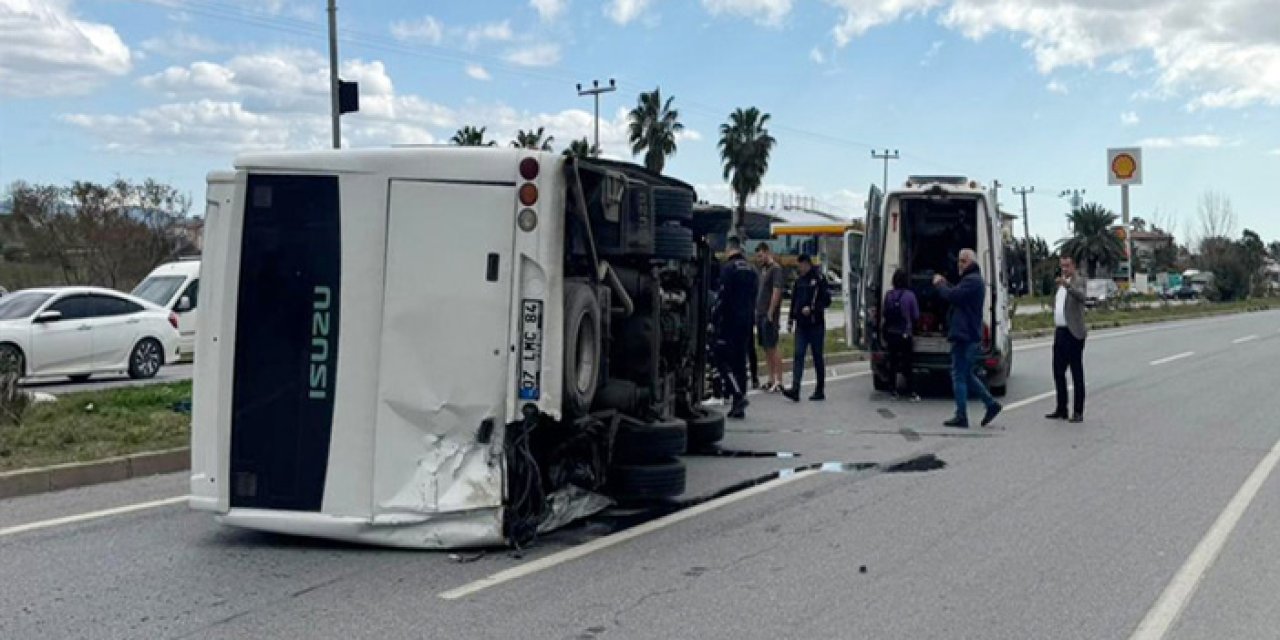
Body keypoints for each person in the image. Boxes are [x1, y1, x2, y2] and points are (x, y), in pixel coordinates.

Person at [933, 248, 1002, 428]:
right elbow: (957, 292)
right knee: (966, 374)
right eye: (959, 260)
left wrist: (940, 285)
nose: (960, 264)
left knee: (959, 375)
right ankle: (990, 404)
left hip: (966, 335)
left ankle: (962, 415)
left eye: (963, 261)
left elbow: (953, 296)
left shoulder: (972, 281)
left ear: (971, 262)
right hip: (966, 334)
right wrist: (947, 283)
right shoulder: (971, 280)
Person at [713, 237, 758, 419]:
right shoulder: (752, 270)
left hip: (729, 321)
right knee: (741, 362)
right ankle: (739, 402)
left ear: (728, 249)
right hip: (747, 321)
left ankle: (737, 395)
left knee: (721, 358)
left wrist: (714, 320)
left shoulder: (728, 269)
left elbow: (722, 297)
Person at [783, 254, 831, 402]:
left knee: (817, 356)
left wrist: (813, 309)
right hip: (801, 325)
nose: (800, 268)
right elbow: (794, 301)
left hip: (815, 324)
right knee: (798, 354)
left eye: (802, 265)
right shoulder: (799, 281)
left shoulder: (819, 280)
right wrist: (791, 319)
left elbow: (826, 301)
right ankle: (795, 389)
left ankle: (820, 389)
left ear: (808, 264)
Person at [1048, 256, 1087, 423]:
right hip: (1060, 332)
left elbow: (1082, 296)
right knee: (1058, 371)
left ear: (1074, 266)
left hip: (1074, 333)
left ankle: (1078, 412)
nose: (1064, 269)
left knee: (1076, 373)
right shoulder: (1061, 284)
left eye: (1067, 265)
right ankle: (1061, 408)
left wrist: (1067, 286)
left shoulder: (1078, 281)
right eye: (1062, 266)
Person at [883, 269, 921, 402]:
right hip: (905, 334)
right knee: (907, 363)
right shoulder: (910, 296)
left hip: (891, 334)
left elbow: (884, 313)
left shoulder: (888, 295)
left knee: (892, 363)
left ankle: (893, 391)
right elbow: (916, 315)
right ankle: (911, 392)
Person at [754, 243, 785, 392]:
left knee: (773, 346)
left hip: (768, 314)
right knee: (766, 347)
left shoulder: (776, 270)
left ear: (767, 253)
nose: (759, 259)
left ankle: (779, 380)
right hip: (760, 313)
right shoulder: (763, 270)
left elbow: (776, 290)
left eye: (761, 255)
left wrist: (771, 311)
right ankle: (770, 378)